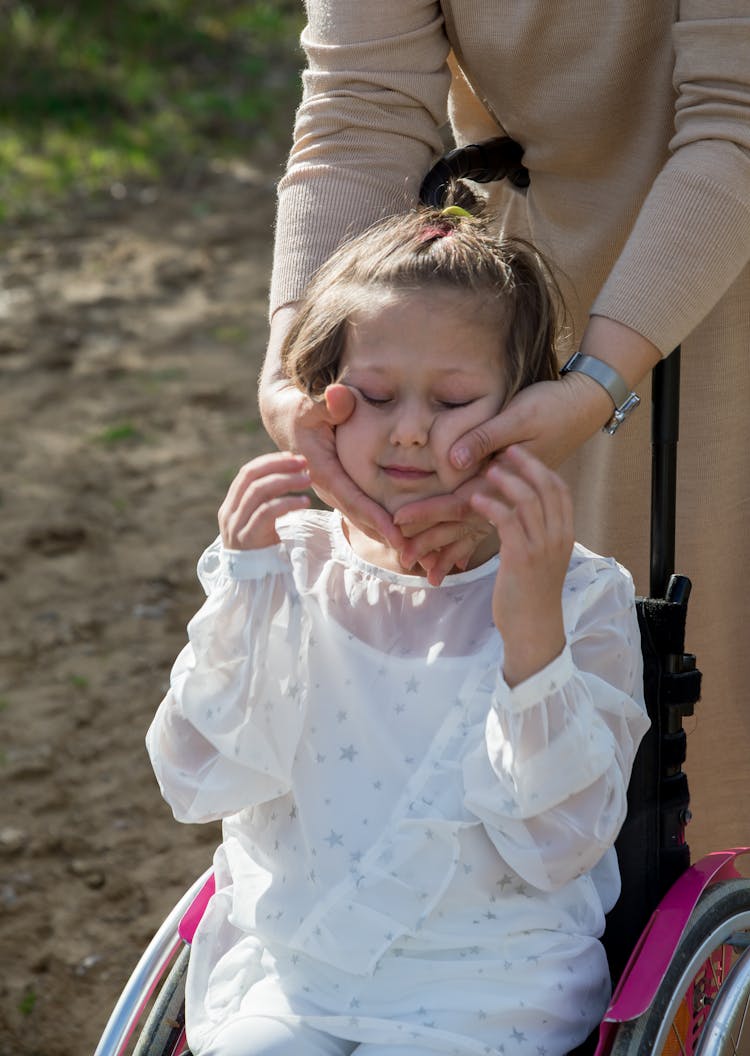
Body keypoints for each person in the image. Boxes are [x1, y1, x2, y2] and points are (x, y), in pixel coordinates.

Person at [147, 202, 649, 1056]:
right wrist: (249, 587)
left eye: (453, 400)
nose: (412, 427)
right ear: (320, 397)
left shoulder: (581, 595)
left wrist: (529, 620)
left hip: (492, 985)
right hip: (297, 969)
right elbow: (201, 783)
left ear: (523, 409)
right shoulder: (291, 564)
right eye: (376, 395)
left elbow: (557, 845)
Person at [258, 3, 750, 858]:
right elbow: (360, 106)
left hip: (720, 258)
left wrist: (595, 385)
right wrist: (294, 368)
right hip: (514, 310)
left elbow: (736, 117)